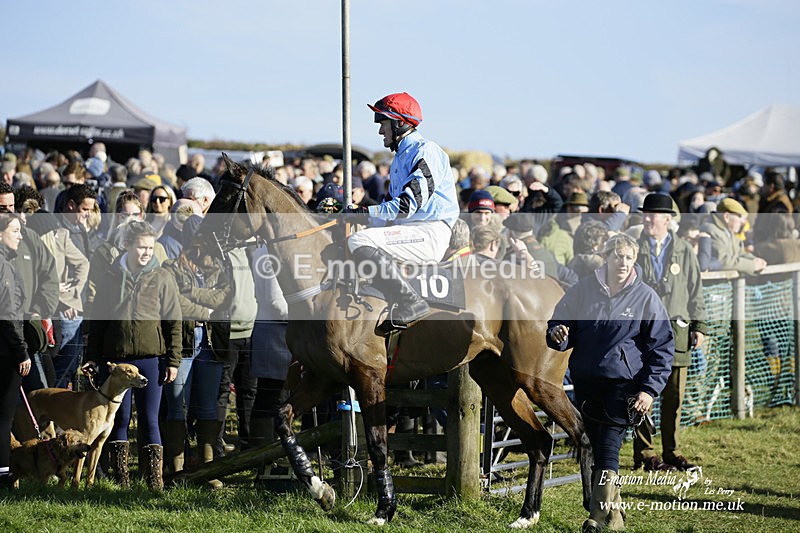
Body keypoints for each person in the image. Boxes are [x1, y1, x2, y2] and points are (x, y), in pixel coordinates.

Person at [547, 233, 674, 532]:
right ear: (606, 257)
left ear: (635, 260)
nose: (623, 262)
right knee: (596, 445)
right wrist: (558, 332)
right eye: (618, 256)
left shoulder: (646, 297)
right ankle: (614, 517)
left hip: (624, 384)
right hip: (587, 382)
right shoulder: (583, 289)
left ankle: (597, 518)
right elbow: (560, 323)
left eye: (629, 257)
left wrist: (649, 390)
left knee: (608, 448)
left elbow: (663, 348)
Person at [346, 92, 459, 336]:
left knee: (359, 240)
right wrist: (356, 217)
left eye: (382, 123)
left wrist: (365, 213)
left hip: (430, 232)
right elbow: (389, 209)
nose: (380, 131)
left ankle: (411, 302)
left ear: (399, 123)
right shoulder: (400, 158)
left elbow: (407, 206)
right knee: (355, 236)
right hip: (411, 229)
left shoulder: (426, 151)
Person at [85, 220, 181, 491]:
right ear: (127, 245)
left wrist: (173, 360)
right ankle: (121, 481)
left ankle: (154, 482)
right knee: (119, 418)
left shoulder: (162, 277)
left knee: (150, 419)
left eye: (150, 247)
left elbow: (173, 322)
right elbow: (98, 321)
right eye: (141, 247)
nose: (147, 253)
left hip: (151, 359)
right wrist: (92, 357)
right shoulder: (111, 276)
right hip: (117, 361)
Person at [631, 194, 707, 472]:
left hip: (677, 332)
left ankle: (672, 451)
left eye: (652, 215)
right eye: (645, 214)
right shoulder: (634, 248)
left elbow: (696, 291)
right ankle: (646, 453)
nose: (646, 219)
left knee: (674, 397)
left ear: (667, 219)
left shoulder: (684, 250)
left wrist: (699, 326)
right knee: (643, 393)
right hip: (643, 332)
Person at [0, 213, 31, 489]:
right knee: (4, 418)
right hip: (5, 351)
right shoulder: (4, 267)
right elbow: (7, 314)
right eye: (15, 230)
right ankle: (2, 475)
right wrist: (21, 351)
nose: (20, 236)